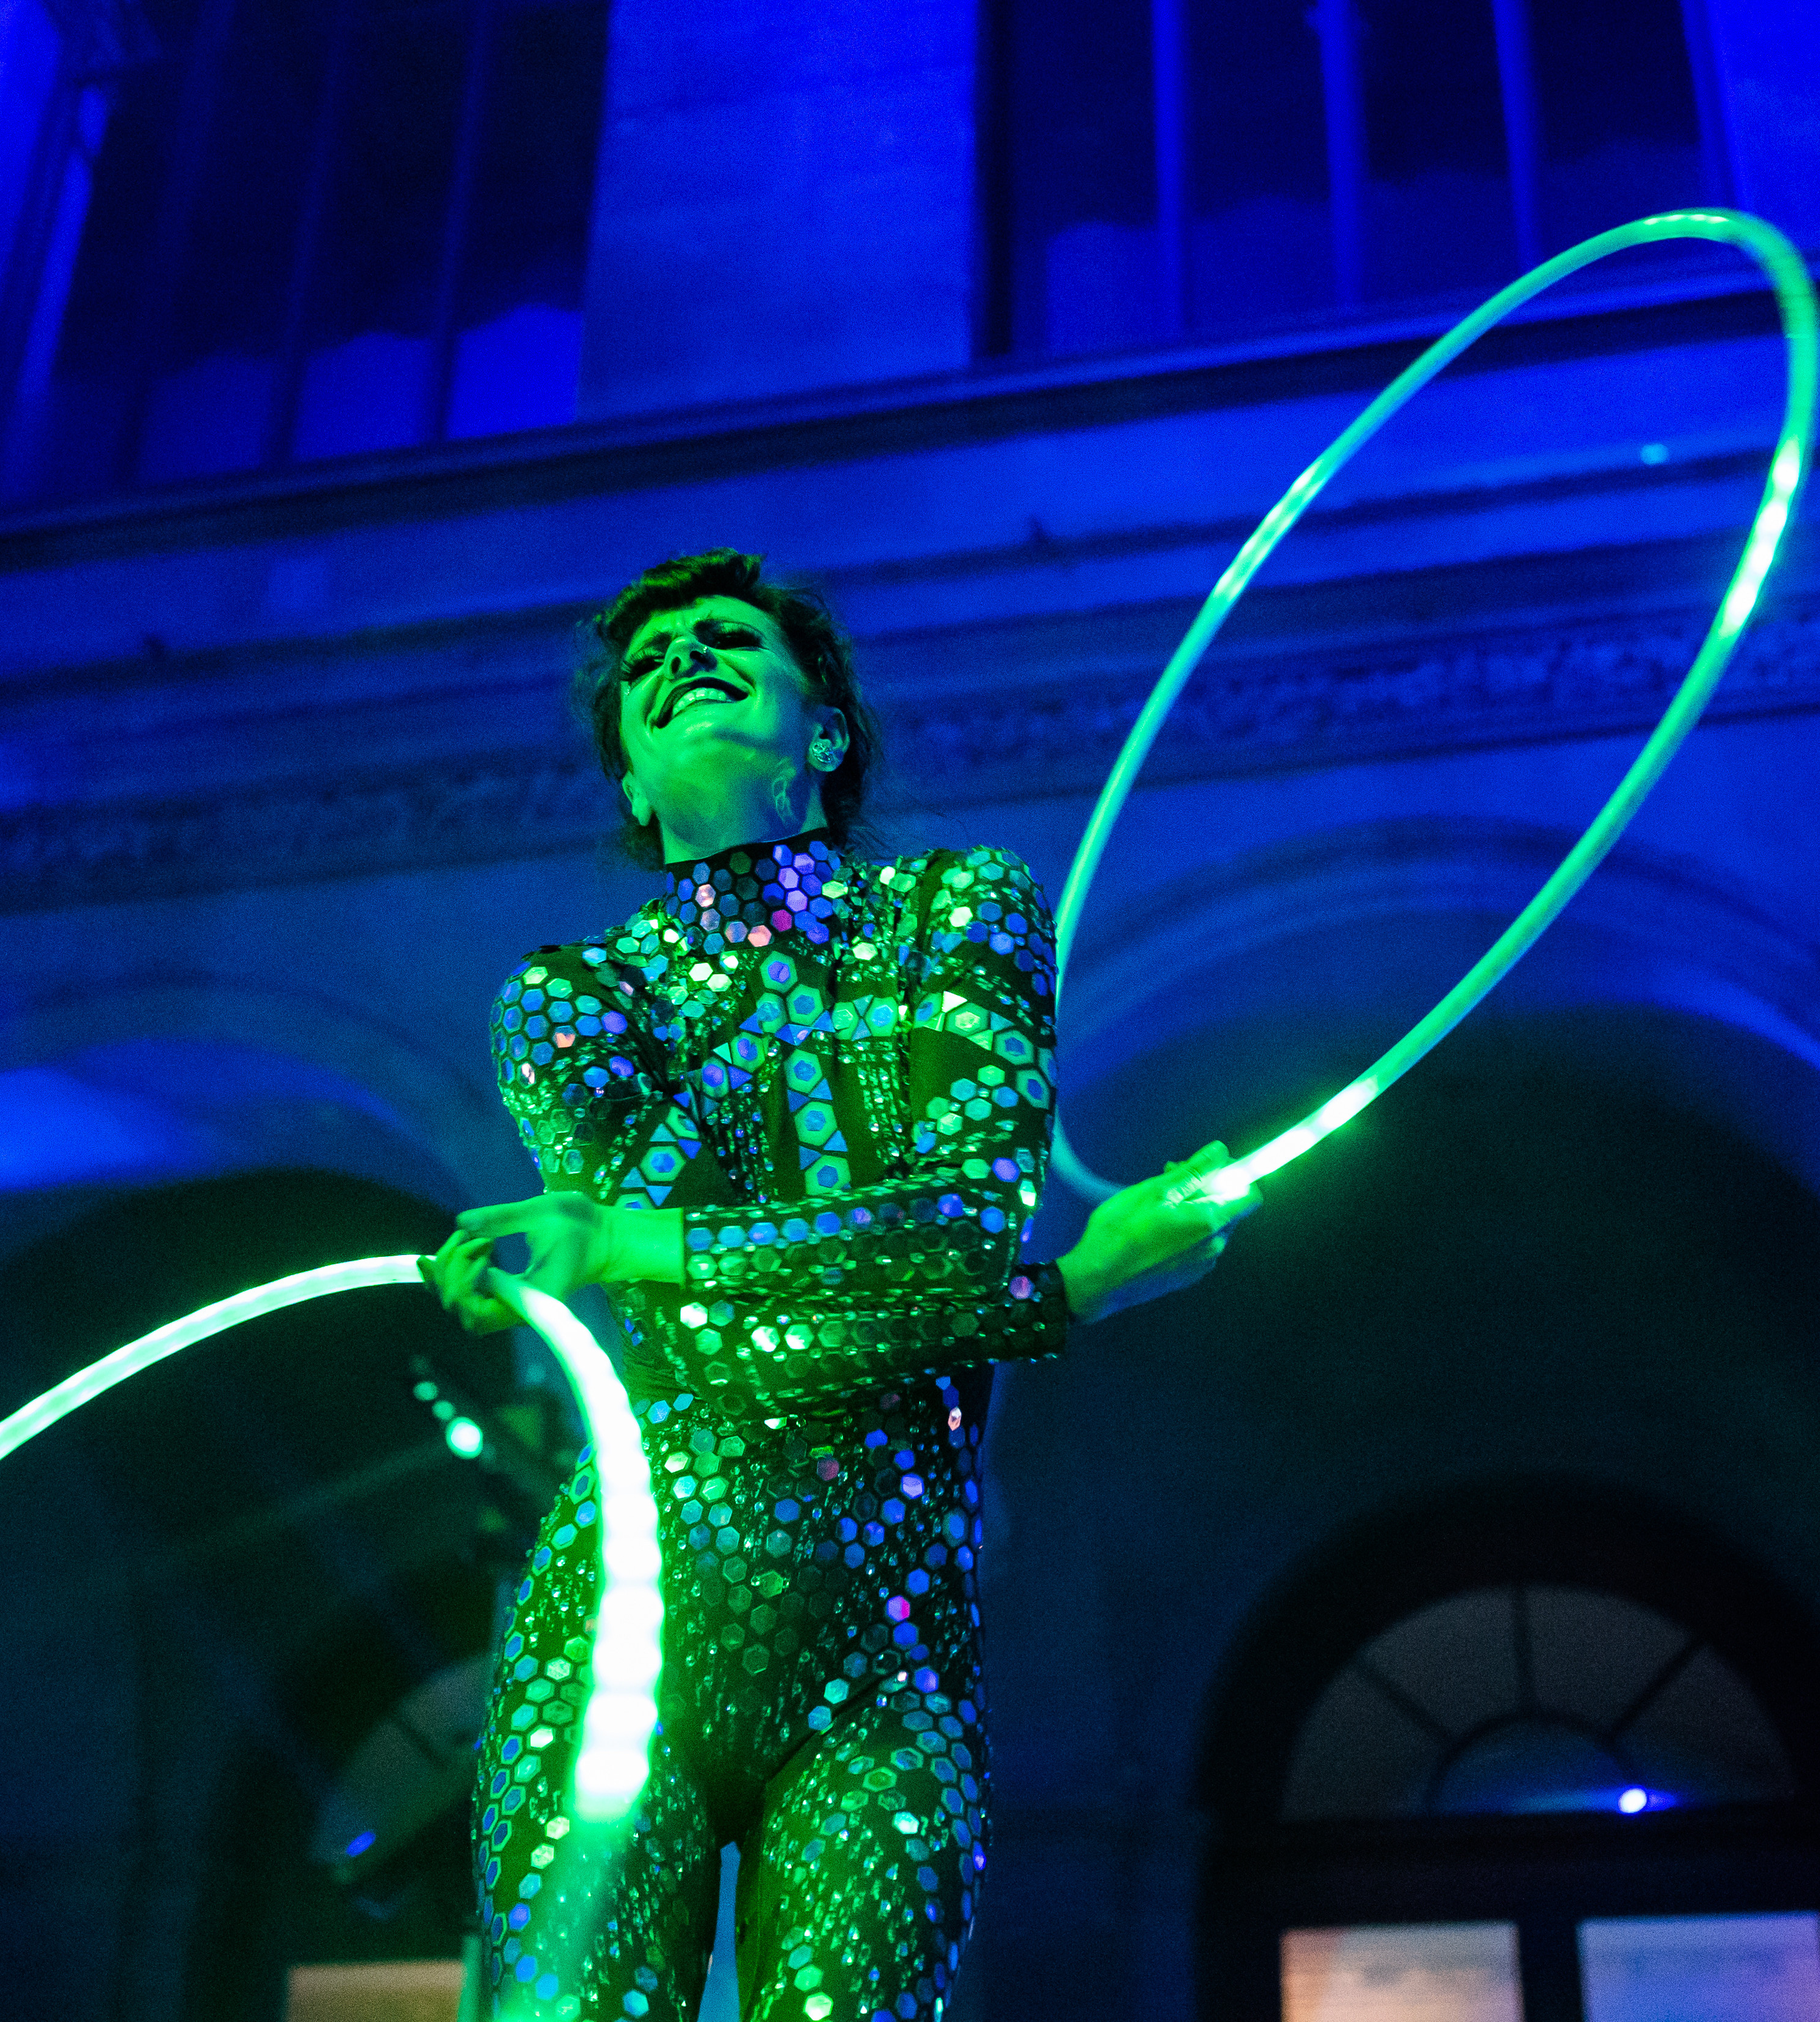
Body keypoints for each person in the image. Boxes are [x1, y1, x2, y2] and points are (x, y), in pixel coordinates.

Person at [428, 551, 1244, 2020]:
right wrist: (1067, 1294)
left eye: (729, 636)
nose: (685, 654)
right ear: (627, 774)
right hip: (624, 1618)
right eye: (650, 658)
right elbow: (721, 1338)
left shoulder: (959, 911)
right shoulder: (568, 1001)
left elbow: (955, 1234)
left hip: (887, 1646)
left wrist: (631, 1239)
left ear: (826, 731)